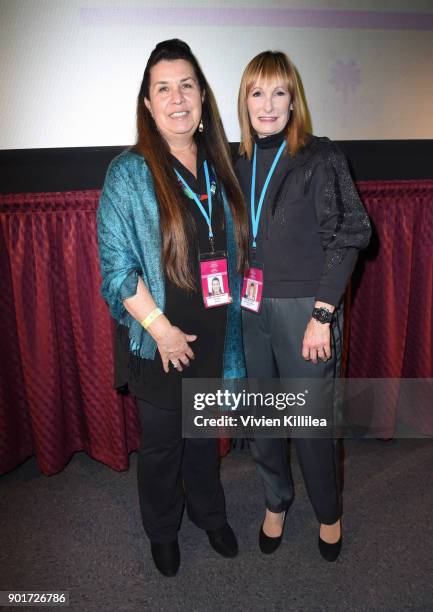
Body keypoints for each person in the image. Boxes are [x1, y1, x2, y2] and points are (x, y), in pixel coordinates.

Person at [97, 39, 248, 577]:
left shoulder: (223, 166)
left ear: (203, 97)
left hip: (215, 333)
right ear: (147, 102)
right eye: (163, 88)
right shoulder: (129, 174)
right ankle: (163, 529)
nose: (177, 98)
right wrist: (162, 331)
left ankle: (210, 513)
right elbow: (116, 271)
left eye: (187, 85)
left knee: (204, 437)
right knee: (162, 446)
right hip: (159, 340)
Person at [235, 51, 371, 561]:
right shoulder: (238, 160)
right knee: (266, 421)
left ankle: (328, 513)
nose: (266, 104)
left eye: (278, 92)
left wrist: (322, 314)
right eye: (256, 92)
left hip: (304, 312)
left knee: (312, 428)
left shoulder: (320, 156)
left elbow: (349, 236)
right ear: (244, 100)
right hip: (252, 312)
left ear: (294, 100)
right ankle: (276, 499)